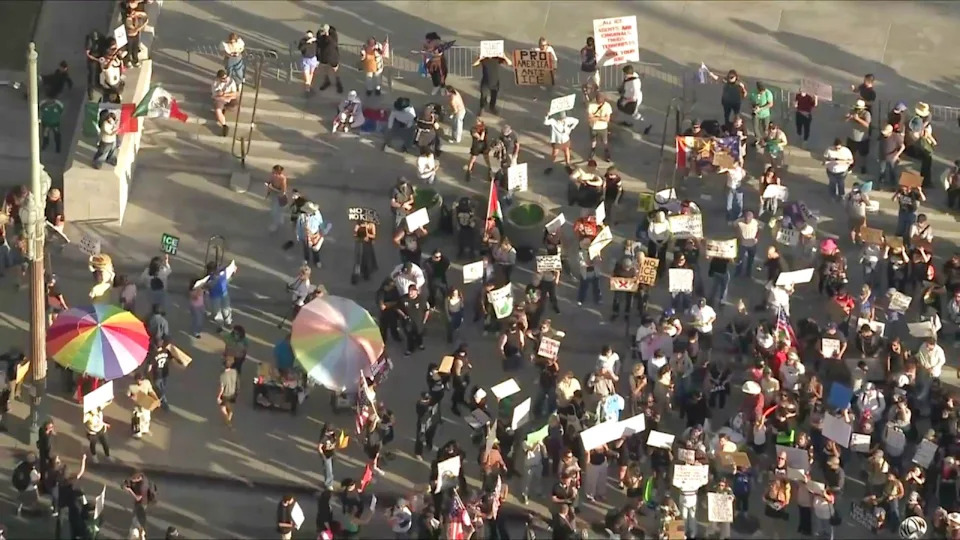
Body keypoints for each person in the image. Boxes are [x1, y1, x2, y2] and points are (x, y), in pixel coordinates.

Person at [473, 51, 511, 116]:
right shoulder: (484, 59)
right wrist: (479, 58)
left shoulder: (497, 59)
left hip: (495, 82)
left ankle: (492, 107)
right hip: (485, 82)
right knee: (483, 96)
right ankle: (482, 108)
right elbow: (474, 64)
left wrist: (504, 56)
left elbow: (509, 63)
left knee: (494, 96)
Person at [296, 201, 331, 268]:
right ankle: (306, 259)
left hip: (314, 234)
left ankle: (317, 261)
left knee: (315, 249)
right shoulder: (302, 216)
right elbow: (299, 225)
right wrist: (299, 235)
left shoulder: (317, 214)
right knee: (306, 248)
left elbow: (321, 223)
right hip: (305, 235)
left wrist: (322, 232)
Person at [399, 285, 429, 356]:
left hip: (418, 322)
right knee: (409, 335)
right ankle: (410, 349)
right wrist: (404, 316)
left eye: (412, 292)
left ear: (416, 292)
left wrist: (424, 320)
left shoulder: (421, 299)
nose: (410, 293)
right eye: (409, 291)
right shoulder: (403, 299)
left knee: (419, 333)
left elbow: (426, 310)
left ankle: (420, 344)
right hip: (408, 322)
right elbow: (398, 308)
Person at [122, 470, 153, 538]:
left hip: (142, 503)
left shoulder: (143, 487)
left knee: (136, 517)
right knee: (137, 517)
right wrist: (125, 485)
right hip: (139, 502)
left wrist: (129, 490)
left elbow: (138, 498)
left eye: (133, 480)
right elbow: (126, 483)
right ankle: (136, 530)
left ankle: (136, 532)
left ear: (138, 479)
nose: (132, 480)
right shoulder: (139, 476)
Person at [846, 99, 873, 174]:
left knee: (863, 155)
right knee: (851, 153)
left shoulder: (866, 114)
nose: (857, 110)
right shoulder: (852, 111)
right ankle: (851, 165)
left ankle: (863, 167)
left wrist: (858, 119)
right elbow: (843, 120)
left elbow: (867, 125)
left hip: (862, 138)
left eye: (859, 109)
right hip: (852, 137)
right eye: (856, 108)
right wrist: (848, 117)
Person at [211, 69, 239, 137]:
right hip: (220, 99)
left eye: (226, 77)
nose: (225, 79)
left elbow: (235, 94)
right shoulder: (215, 83)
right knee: (217, 110)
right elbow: (214, 95)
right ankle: (224, 126)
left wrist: (224, 94)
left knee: (234, 107)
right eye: (223, 78)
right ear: (219, 78)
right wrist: (220, 96)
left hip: (229, 99)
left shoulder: (231, 81)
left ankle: (224, 109)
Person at [587, 92, 613, 161]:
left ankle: (606, 152)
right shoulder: (591, 105)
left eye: (601, 102)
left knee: (605, 141)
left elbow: (607, 119)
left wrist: (595, 117)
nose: (599, 103)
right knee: (593, 141)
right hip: (593, 127)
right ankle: (593, 151)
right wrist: (601, 118)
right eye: (598, 102)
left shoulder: (607, 106)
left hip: (603, 127)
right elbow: (590, 118)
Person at [316, 24, 342, 93]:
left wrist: (327, 35)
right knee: (325, 69)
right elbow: (319, 44)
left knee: (335, 70)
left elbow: (333, 43)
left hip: (333, 55)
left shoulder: (333, 34)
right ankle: (327, 81)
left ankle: (338, 82)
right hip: (324, 55)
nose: (322, 31)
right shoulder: (319, 33)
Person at [879, 123, 905, 189]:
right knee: (882, 171)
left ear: (890, 132)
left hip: (892, 158)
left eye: (886, 133)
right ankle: (881, 184)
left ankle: (893, 185)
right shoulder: (882, 136)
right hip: (883, 157)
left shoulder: (896, 137)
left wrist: (897, 155)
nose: (884, 134)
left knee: (892, 172)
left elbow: (903, 147)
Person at [750, 81, 774, 145]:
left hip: (765, 114)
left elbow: (770, 104)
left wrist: (761, 108)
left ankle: (765, 140)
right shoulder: (753, 93)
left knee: (765, 128)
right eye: (760, 91)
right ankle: (758, 139)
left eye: (762, 91)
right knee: (755, 127)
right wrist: (754, 107)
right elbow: (751, 102)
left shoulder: (768, 93)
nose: (761, 92)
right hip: (756, 114)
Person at [217, 357, 239, 427]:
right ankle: (229, 415)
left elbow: (222, 388)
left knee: (223, 409)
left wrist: (218, 397)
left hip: (226, 394)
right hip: (232, 393)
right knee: (229, 406)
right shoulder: (234, 372)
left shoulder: (223, 376)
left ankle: (228, 420)